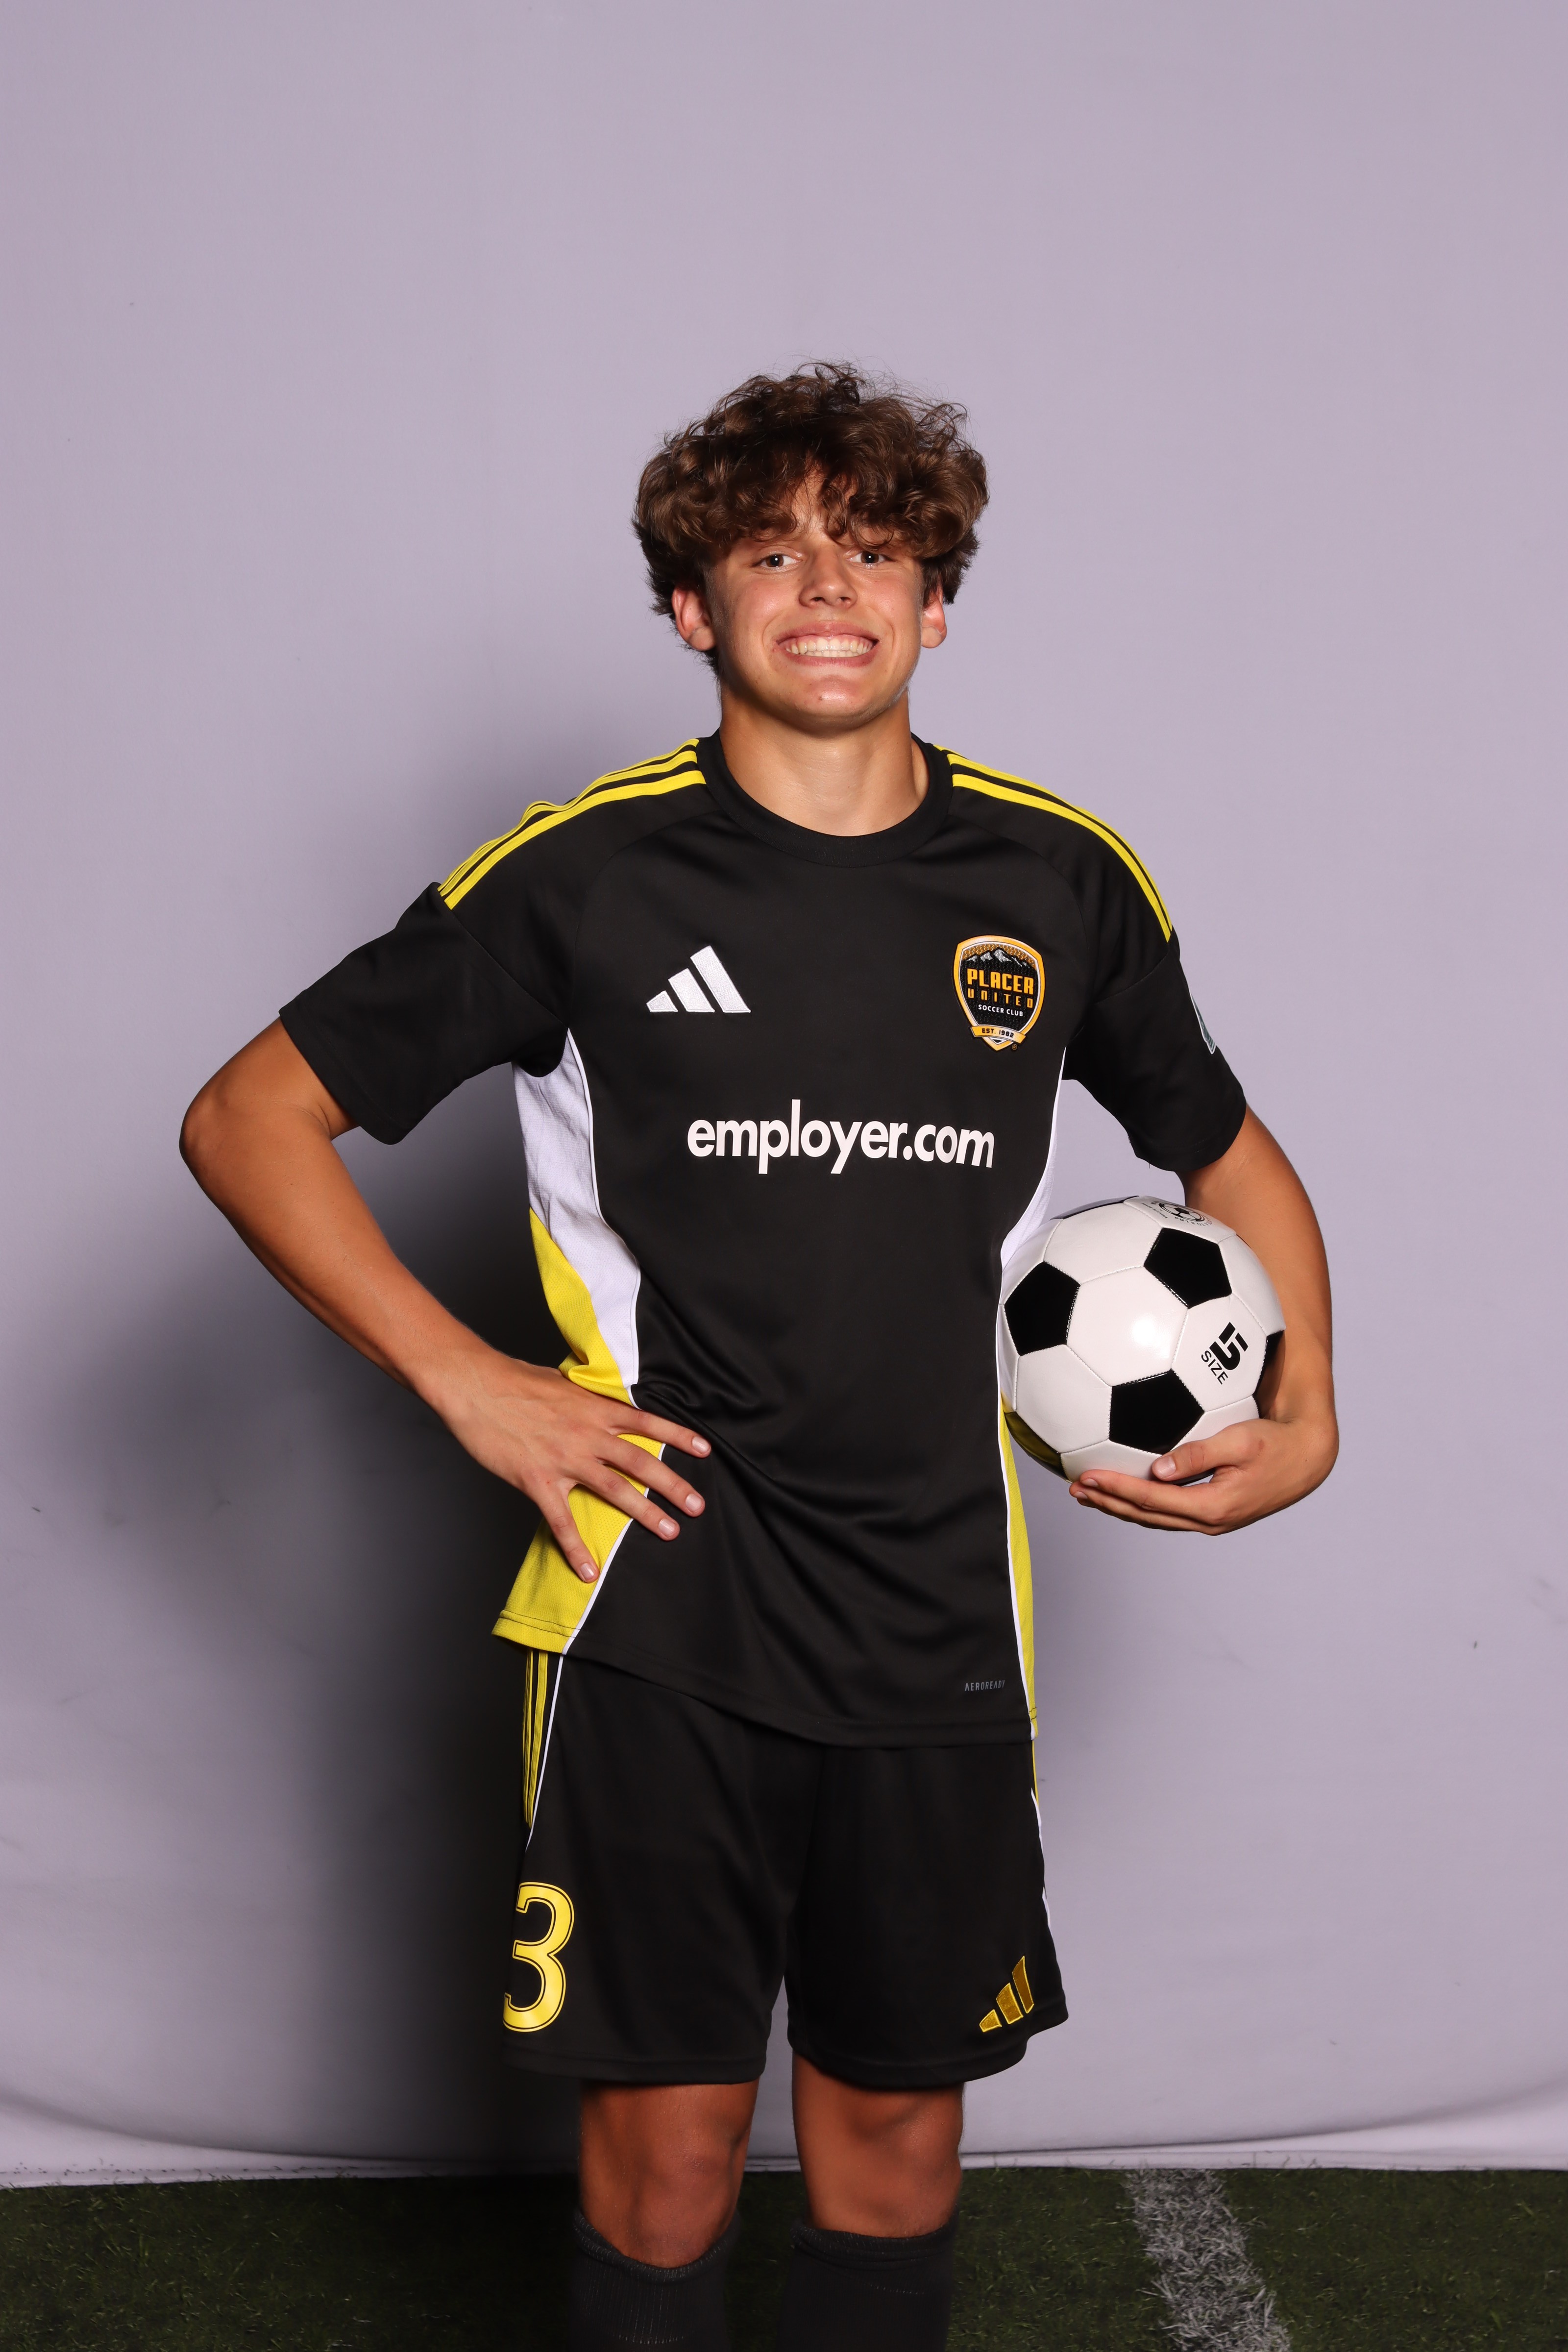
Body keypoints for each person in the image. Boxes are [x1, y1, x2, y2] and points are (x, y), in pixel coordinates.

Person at [181, 364, 1337, 2350]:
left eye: (874, 551)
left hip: (937, 1619)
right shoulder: (585, 874)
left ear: (936, 605)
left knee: (893, 2155)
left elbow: (1222, 1151)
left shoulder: (1056, 879)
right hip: (659, 1613)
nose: (828, 586)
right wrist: (469, 1382)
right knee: (668, 2160)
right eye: (771, 551)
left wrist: (1306, 1412)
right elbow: (247, 1119)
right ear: (688, 606)